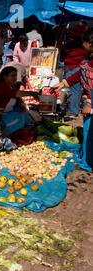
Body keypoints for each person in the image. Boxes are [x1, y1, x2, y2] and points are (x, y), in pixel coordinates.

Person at [52, 28, 93, 171]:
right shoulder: (88, 61)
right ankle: (86, 159)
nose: (82, 45)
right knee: (88, 132)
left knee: (90, 133)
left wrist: (89, 103)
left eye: (84, 43)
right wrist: (63, 83)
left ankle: (88, 163)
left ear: (90, 43)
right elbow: (78, 75)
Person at [0, 66, 39, 136]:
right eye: (12, 76)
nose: (15, 78)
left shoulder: (12, 87)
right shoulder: (1, 87)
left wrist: (21, 106)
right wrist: (32, 93)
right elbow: (16, 94)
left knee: (24, 114)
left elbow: (18, 99)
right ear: (5, 77)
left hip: (9, 112)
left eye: (15, 75)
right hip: (0, 116)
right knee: (19, 118)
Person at [59, 24, 89, 116]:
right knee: (76, 90)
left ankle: (72, 111)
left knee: (74, 90)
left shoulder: (71, 44)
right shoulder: (84, 46)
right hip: (78, 68)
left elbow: (60, 46)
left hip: (72, 68)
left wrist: (63, 32)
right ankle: (73, 109)